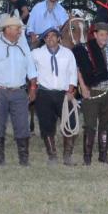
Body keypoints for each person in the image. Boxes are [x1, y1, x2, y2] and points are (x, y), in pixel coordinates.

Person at [0, 15, 38, 166]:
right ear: (7, 29)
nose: (20, 31)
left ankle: (24, 160)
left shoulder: (24, 47)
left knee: (22, 125)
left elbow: (31, 70)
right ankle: (0, 160)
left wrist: (33, 87)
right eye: (17, 28)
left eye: (20, 28)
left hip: (19, 91)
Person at [73, 22, 108, 165]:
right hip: (92, 90)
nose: (104, 37)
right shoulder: (86, 50)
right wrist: (83, 86)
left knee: (106, 125)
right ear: (95, 35)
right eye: (101, 34)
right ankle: (87, 157)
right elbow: (78, 68)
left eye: (106, 35)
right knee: (89, 124)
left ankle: (103, 155)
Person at [30, 27, 79, 166]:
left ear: (59, 38)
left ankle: (67, 156)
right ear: (44, 40)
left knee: (71, 124)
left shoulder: (68, 53)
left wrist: (71, 89)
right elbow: (27, 65)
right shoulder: (36, 53)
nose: (50, 38)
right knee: (46, 125)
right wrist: (33, 86)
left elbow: (72, 72)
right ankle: (52, 155)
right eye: (47, 37)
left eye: (53, 36)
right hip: (44, 93)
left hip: (64, 94)